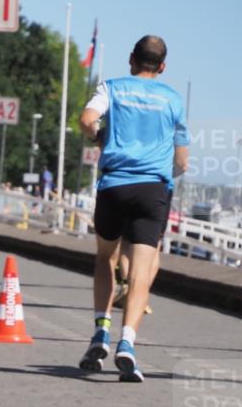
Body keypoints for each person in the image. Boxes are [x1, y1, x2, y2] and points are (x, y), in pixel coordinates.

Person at [77, 35, 188, 381]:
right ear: (163, 66)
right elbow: (182, 161)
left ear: (131, 59)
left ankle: (101, 331)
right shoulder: (173, 99)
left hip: (114, 185)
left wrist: (99, 137)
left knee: (105, 258)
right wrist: (162, 172)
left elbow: (86, 119)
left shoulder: (111, 88)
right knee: (141, 272)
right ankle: (127, 343)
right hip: (152, 190)